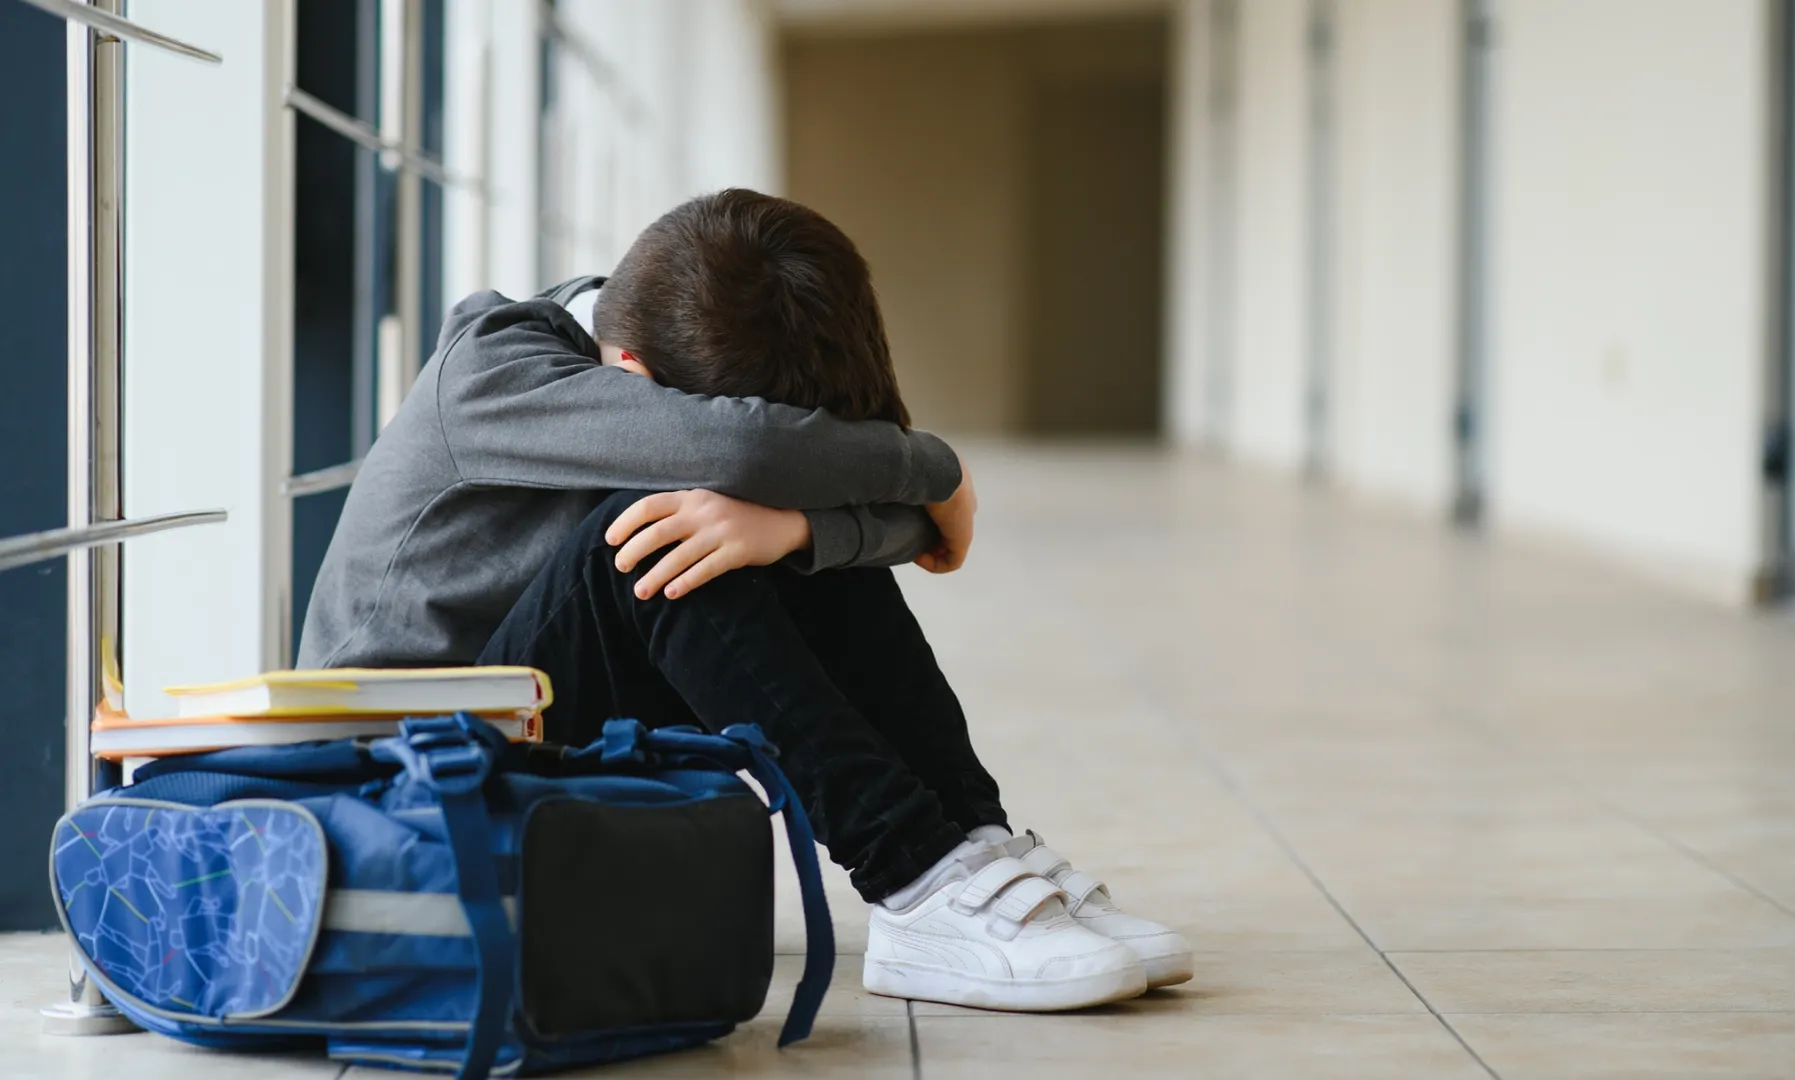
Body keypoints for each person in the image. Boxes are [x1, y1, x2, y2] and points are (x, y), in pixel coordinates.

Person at [299, 189, 1192, 1012]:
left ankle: (969, 846)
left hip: (532, 723)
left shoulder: (663, 347)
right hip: (408, 777)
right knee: (645, 541)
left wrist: (800, 533)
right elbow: (757, 458)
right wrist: (934, 467)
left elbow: (870, 519)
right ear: (638, 378)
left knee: (734, 531)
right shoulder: (497, 372)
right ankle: (911, 875)